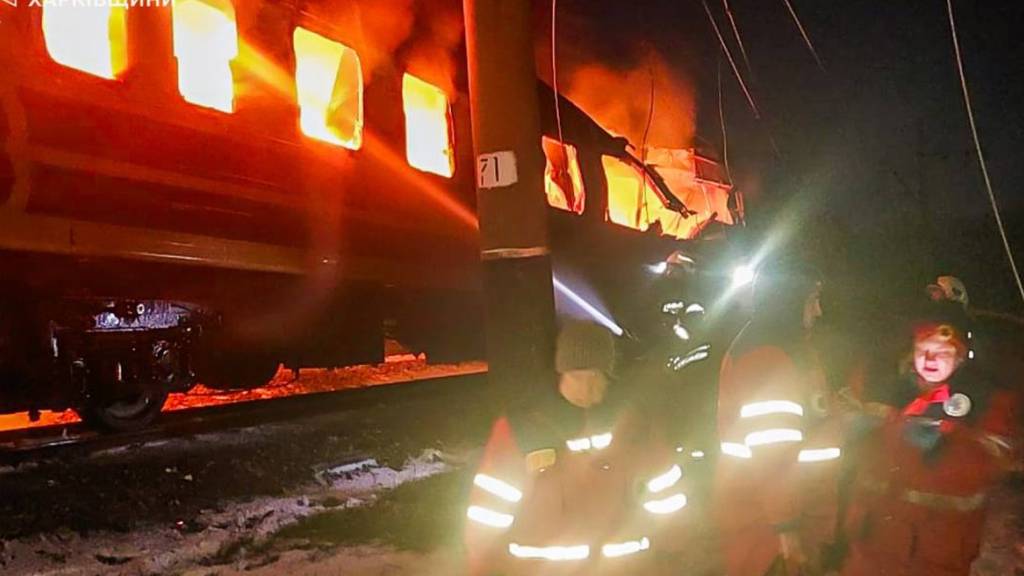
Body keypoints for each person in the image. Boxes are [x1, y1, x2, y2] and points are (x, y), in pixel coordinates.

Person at [463, 321, 686, 575]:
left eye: (595, 376)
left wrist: (674, 549)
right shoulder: (523, 428)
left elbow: (666, 492)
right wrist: (481, 566)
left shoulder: (634, 425)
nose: (586, 388)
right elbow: (488, 510)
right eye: (577, 376)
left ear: (608, 376)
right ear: (562, 373)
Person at [841, 301, 1018, 576]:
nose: (930, 360)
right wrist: (856, 430)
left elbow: (994, 466)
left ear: (960, 356)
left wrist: (951, 442)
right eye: (923, 351)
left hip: (934, 557)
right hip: (870, 552)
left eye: (942, 352)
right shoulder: (889, 393)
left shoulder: (985, 401)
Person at [713, 257, 844, 576]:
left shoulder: (783, 348)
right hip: (771, 535)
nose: (818, 311)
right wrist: (788, 531)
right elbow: (773, 456)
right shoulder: (769, 358)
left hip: (780, 521)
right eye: (812, 301)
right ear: (788, 300)